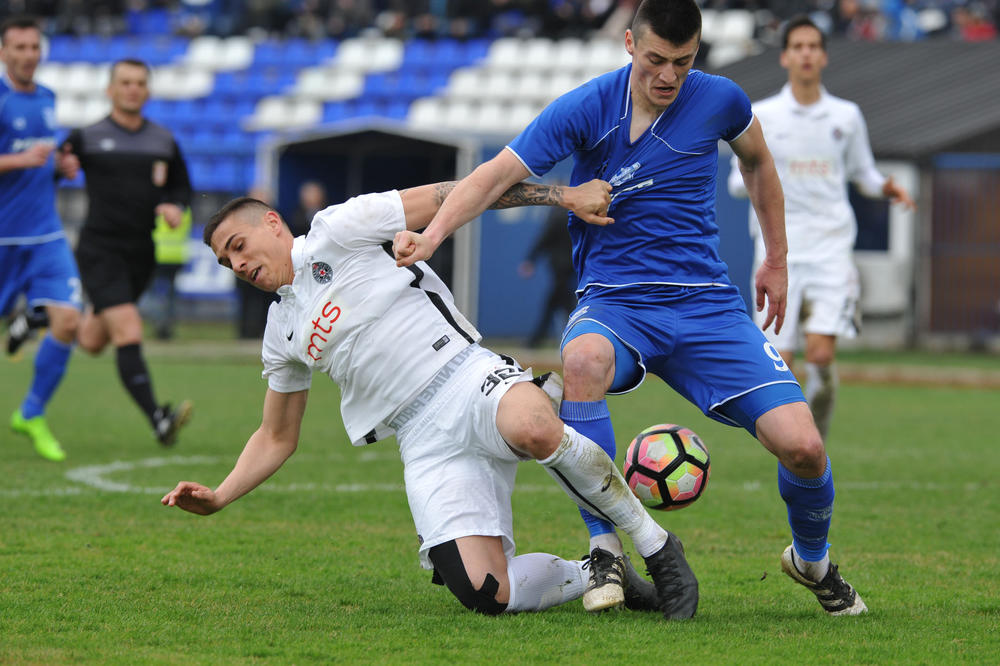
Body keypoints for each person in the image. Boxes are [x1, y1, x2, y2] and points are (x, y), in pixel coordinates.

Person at [394, 0, 867, 617]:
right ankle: (605, 549)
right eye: (656, 60)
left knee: (804, 447)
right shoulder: (587, 107)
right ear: (628, 44)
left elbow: (758, 161)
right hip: (616, 302)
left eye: (683, 61)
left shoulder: (720, 99)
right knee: (582, 359)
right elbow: (492, 175)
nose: (669, 75)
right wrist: (432, 238)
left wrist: (776, 258)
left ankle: (812, 563)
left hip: (707, 307)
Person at [161, 178, 699, 620]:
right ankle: (598, 575)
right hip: (421, 439)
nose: (239, 265)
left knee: (533, 426)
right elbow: (276, 435)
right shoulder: (280, 330)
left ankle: (657, 548)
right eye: (227, 264)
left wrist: (563, 196)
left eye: (238, 247)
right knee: (487, 592)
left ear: (273, 223)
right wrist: (220, 495)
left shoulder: (338, 229)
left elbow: (456, 194)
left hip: (466, 376)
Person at [728, 15, 915, 442]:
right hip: (778, 252)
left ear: (824, 55)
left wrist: (886, 187)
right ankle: (794, 442)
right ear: (785, 56)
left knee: (820, 354)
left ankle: (815, 433)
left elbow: (862, 173)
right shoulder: (764, 115)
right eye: (798, 46)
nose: (807, 53)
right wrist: (756, 180)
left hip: (832, 247)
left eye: (814, 46)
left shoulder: (845, 116)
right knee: (780, 360)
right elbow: (738, 181)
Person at [62, 58, 193, 446]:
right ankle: (158, 419)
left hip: (141, 252)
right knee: (130, 327)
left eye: (139, 83)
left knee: (92, 341)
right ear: (110, 90)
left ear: (147, 91)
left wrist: (175, 206)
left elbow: (182, 189)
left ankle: (39, 317)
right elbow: (55, 165)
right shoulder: (87, 136)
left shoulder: (163, 141)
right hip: (100, 248)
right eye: (125, 82)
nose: (133, 88)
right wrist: (60, 166)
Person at [1, 16, 82, 462]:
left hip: (45, 235)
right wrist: (20, 160)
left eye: (34, 47)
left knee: (68, 320)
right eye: (19, 48)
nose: (29, 55)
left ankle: (31, 412)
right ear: (3, 53)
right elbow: (22, 159)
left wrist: (58, 169)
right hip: (1, 239)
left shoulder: (48, 98)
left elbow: (42, 162)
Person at [518, 206, 576, 348]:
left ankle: (536, 340)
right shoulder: (575, 214)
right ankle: (537, 340)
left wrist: (530, 260)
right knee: (559, 301)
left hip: (560, 266)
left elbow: (544, 239)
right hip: (573, 265)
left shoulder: (557, 215)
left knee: (558, 302)